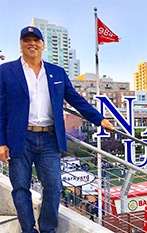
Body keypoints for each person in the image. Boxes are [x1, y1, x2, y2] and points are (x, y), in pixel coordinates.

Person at [0, 26, 114, 233]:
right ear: (21, 45)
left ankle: (48, 229)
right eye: (27, 40)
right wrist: (0, 142)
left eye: (36, 40)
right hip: (19, 138)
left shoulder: (57, 72)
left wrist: (99, 119)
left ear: (43, 45)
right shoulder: (6, 71)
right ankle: (28, 229)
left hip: (49, 138)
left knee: (53, 187)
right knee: (20, 188)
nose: (31, 43)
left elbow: (76, 99)